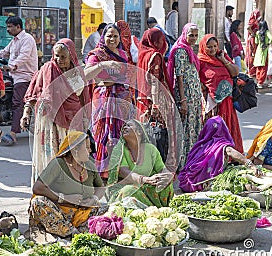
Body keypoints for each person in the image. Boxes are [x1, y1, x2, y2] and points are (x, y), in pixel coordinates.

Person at [21, 38, 91, 187]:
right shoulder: (47, 70)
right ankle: (48, 189)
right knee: (51, 156)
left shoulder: (78, 73)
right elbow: (34, 93)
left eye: (63, 57)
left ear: (71, 55)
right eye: (56, 56)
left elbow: (85, 99)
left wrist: (86, 121)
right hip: (50, 123)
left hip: (73, 122)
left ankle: (70, 189)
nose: (59, 60)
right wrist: (26, 113)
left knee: (71, 156)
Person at [28, 131, 108, 239]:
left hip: (82, 214)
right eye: (87, 147)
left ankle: (76, 231)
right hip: (59, 214)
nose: (90, 151)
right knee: (37, 202)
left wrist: (94, 198)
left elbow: (101, 187)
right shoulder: (59, 164)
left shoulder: (89, 165)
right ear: (75, 150)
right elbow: (38, 188)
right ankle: (71, 232)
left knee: (111, 210)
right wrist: (63, 198)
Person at [84, 23, 134, 179]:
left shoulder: (122, 54)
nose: (112, 39)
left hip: (121, 98)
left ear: (119, 38)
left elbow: (127, 74)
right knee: (102, 134)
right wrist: (103, 65)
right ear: (103, 37)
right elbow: (87, 74)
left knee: (120, 133)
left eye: (115, 36)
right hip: (103, 99)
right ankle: (103, 171)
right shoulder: (97, 54)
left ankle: (119, 167)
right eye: (109, 36)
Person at [178, 116, 262, 193]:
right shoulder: (220, 144)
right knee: (242, 182)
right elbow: (230, 151)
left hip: (187, 182)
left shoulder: (200, 145)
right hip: (204, 183)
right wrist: (251, 165)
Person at [137, 27, 182, 166]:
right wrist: (156, 104)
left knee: (148, 132)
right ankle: (163, 164)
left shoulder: (143, 54)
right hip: (157, 100)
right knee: (161, 132)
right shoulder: (155, 56)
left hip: (144, 99)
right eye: (161, 40)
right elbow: (155, 82)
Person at [107, 119, 174, 207]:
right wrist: (144, 179)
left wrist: (167, 176)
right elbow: (123, 172)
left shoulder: (151, 149)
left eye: (129, 126)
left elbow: (162, 168)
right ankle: (151, 212)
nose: (125, 128)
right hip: (125, 187)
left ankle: (163, 211)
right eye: (124, 126)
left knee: (166, 185)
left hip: (147, 187)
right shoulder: (120, 150)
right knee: (130, 190)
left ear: (139, 132)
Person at [198, 34, 244, 154]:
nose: (212, 49)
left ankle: (230, 156)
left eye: (214, 46)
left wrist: (223, 59)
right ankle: (214, 156)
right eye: (209, 47)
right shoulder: (200, 60)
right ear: (203, 47)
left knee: (227, 126)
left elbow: (235, 72)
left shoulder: (222, 56)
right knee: (214, 130)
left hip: (226, 101)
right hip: (211, 103)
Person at [0, 16, 38, 145]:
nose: (8, 29)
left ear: (18, 27)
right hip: (13, 74)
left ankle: (13, 133)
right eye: (7, 27)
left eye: (10, 27)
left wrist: (11, 66)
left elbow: (23, 57)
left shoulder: (27, 39)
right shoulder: (14, 41)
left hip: (24, 76)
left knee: (17, 103)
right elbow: (3, 52)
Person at [167, 23, 203, 168]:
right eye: (191, 35)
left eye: (195, 35)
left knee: (193, 128)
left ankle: (191, 161)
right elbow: (179, 76)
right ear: (184, 34)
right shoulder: (181, 51)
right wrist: (182, 100)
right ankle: (183, 164)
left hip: (193, 96)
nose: (193, 38)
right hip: (186, 96)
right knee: (186, 129)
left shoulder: (189, 50)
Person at [254, 20, 272, 88]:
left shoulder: (257, 33)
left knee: (258, 67)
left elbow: (256, 42)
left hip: (258, 51)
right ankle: (260, 82)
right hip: (265, 51)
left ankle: (258, 80)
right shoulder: (267, 32)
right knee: (264, 67)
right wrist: (267, 44)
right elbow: (271, 39)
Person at [245, 10, 262, 77]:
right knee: (251, 54)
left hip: (255, 39)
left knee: (254, 54)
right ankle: (251, 71)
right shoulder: (253, 21)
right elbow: (248, 28)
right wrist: (253, 34)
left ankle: (253, 71)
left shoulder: (256, 21)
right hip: (252, 39)